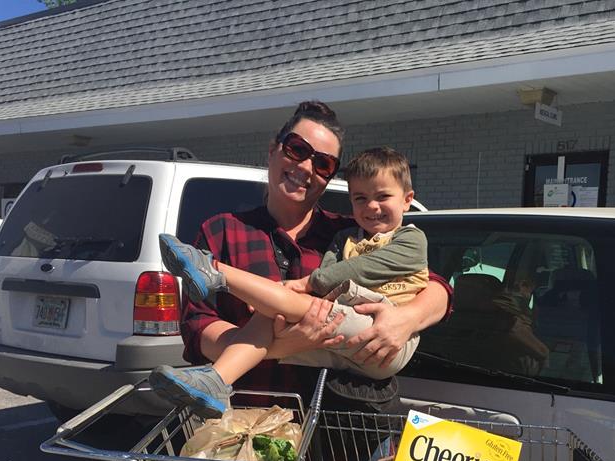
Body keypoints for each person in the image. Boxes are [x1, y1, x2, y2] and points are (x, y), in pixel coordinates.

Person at [168, 101, 451, 414]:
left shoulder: (349, 234)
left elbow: (434, 285)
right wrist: (286, 346)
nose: (305, 167)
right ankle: (216, 372)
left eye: (323, 164)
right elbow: (198, 325)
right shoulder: (222, 230)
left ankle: (217, 273)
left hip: (338, 427)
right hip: (244, 416)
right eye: (297, 149)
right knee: (271, 308)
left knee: (279, 301)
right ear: (274, 150)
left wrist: (407, 319)